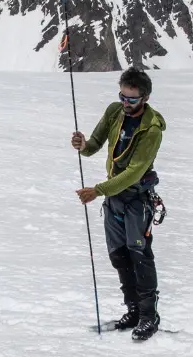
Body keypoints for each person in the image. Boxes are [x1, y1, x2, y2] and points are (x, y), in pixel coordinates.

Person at [71, 67, 166, 341]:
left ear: (144, 98)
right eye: (123, 97)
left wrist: (98, 190)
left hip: (136, 198)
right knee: (118, 255)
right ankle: (134, 310)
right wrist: (82, 144)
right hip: (115, 198)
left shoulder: (152, 129)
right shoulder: (114, 112)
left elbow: (135, 171)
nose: (126, 103)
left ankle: (149, 316)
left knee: (140, 256)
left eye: (132, 99)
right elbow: (94, 145)